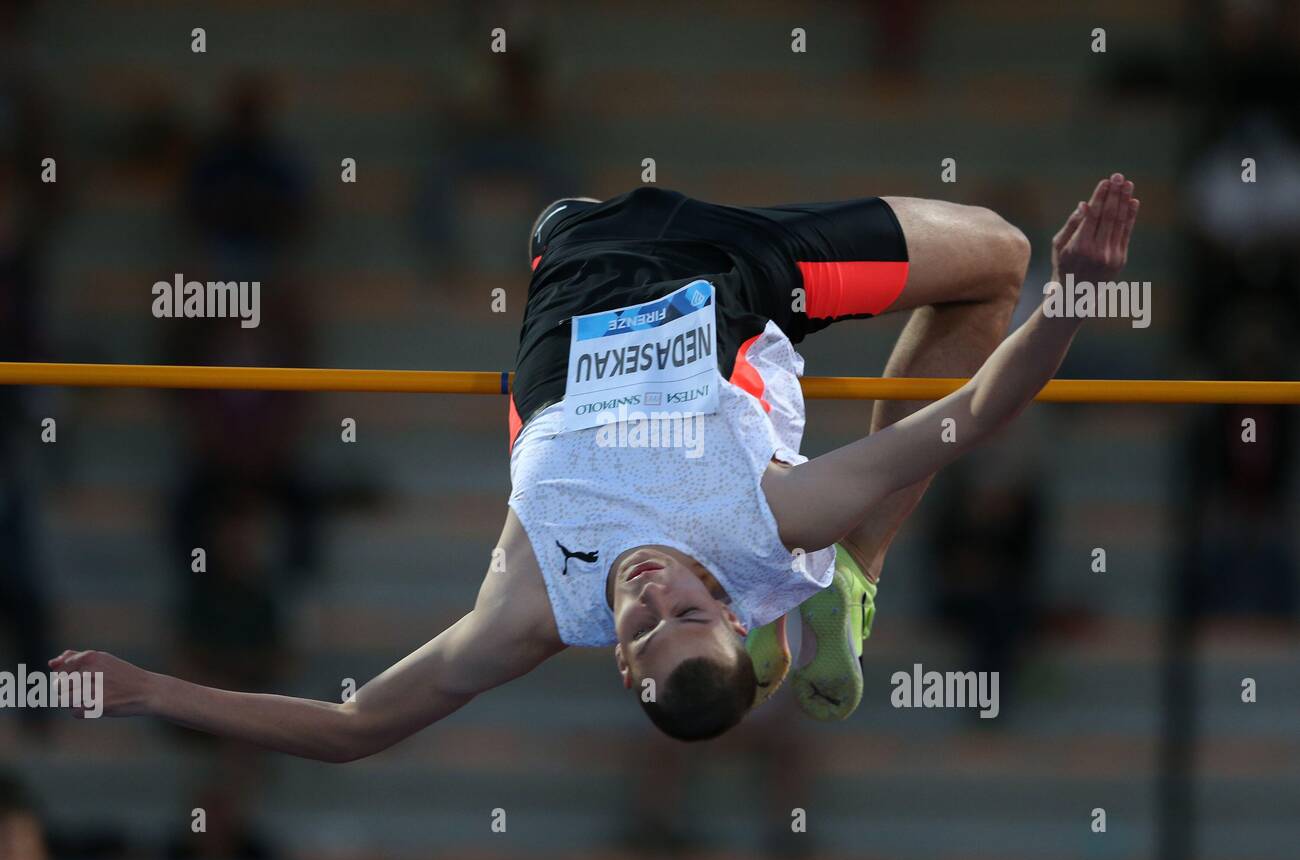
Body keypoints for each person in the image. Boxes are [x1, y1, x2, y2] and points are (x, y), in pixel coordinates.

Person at [49, 174, 1140, 754]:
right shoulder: (762, 520)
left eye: (640, 633)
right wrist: (1076, 297)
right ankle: (854, 573)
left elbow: (353, 729)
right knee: (994, 259)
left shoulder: (537, 602)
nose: (649, 597)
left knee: (558, 212)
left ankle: (830, 596)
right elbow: (973, 413)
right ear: (723, 598)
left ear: (619, 665)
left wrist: (149, 689)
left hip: (569, 245)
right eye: (687, 611)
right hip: (743, 269)